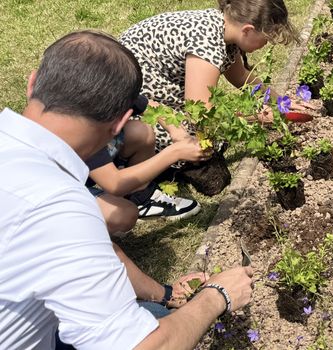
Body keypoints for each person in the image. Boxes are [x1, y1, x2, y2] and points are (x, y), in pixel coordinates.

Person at [0, 30, 253, 350]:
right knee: (168, 325)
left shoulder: (48, 199)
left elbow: (93, 248)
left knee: (156, 311)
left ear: (32, 82)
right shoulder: (60, 210)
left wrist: (165, 293)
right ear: (120, 124)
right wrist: (218, 296)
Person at [119, 0, 298, 155]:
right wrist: (257, 117)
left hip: (153, 93)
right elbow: (201, 115)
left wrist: (280, 102)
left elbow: (240, 76)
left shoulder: (224, 26)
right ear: (248, 30)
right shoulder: (206, 45)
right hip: (132, 107)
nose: (265, 45)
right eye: (266, 39)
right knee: (200, 139)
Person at [87, 119, 208, 236]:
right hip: (76, 184)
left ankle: (141, 199)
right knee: (122, 216)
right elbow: (114, 183)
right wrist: (175, 152)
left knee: (140, 131)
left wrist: (177, 132)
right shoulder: (85, 128)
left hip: (92, 162)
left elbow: (153, 108)